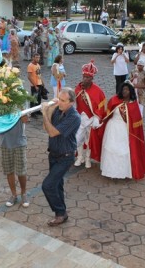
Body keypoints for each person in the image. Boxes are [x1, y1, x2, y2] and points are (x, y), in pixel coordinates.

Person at [41, 88, 81, 226]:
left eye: (63, 101)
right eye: (59, 99)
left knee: (47, 185)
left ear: (71, 102)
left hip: (65, 156)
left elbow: (52, 132)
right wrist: (49, 109)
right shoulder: (58, 111)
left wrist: (44, 113)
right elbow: (45, 127)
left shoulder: (74, 117)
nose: (60, 102)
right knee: (57, 185)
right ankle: (62, 212)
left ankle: (60, 213)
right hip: (53, 154)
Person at [100, 81, 145, 179]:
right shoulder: (114, 100)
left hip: (125, 131)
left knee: (123, 150)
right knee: (111, 149)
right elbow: (108, 114)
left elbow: (136, 122)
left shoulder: (134, 105)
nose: (124, 91)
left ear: (131, 92)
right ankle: (110, 172)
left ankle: (123, 173)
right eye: (123, 89)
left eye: (127, 90)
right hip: (112, 128)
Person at [74, 60, 106, 168]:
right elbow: (73, 102)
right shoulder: (78, 88)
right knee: (78, 138)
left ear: (92, 78)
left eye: (87, 77)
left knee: (88, 140)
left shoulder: (98, 91)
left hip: (91, 119)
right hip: (79, 118)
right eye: (84, 77)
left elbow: (101, 107)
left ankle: (87, 158)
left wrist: (97, 118)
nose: (85, 79)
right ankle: (79, 157)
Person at [0, 115, 30, 208]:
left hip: (19, 142)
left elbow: (25, 120)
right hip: (5, 142)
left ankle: (24, 194)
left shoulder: (19, 103)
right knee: (9, 170)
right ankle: (14, 195)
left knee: (21, 171)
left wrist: (20, 109)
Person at [27, 53, 44, 118]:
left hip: (39, 84)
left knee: (39, 98)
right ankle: (32, 113)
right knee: (33, 99)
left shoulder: (38, 65)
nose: (38, 59)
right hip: (34, 85)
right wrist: (35, 85)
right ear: (33, 58)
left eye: (38, 57)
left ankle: (38, 110)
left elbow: (39, 74)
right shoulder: (30, 66)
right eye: (36, 57)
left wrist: (42, 82)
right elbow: (29, 77)